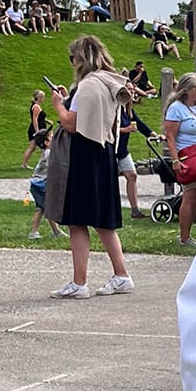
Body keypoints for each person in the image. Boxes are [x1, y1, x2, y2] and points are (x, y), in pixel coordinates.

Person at [46, 34, 135, 298]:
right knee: (102, 219)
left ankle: (79, 282)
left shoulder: (88, 85)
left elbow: (72, 123)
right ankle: (121, 274)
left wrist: (58, 106)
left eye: (73, 58)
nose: (72, 63)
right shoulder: (108, 82)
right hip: (103, 152)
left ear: (81, 58)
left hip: (84, 155)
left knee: (77, 220)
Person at [163, 70, 196, 247]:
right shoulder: (176, 109)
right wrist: (175, 160)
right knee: (191, 194)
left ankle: (189, 232)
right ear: (188, 90)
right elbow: (170, 136)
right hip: (189, 155)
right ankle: (184, 236)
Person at [25, 130, 67, 240]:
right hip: (40, 184)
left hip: (39, 183)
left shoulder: (50, 152)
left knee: (46, 207)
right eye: (53, 137)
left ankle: (56, 231)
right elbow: (53, 168)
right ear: (47, 142)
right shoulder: (49, 154)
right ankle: (34, 232)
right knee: (43, 208)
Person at [116, 92, 145, 219]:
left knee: (132, 175)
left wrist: (152, 134)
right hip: (111, 150)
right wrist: (124, 130)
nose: (131, 93)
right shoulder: (114, 107)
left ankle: (135, 209)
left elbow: (138, 123)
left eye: (132, 90)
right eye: (128, 90)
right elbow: (105, 127)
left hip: (122, 150)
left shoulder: (127, 109)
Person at [21, 89, 50, 165]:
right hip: (36, 129)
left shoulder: (36, 106)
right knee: (36, 147)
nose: (44, 99)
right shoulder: (36, 107)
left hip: (40, 128)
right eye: (43, 97)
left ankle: (25, 164)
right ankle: (25, 164)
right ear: (39, 98)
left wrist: (47, 121)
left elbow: (40, 117)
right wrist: (37, 131)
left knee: (33, 147)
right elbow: (35, 119)